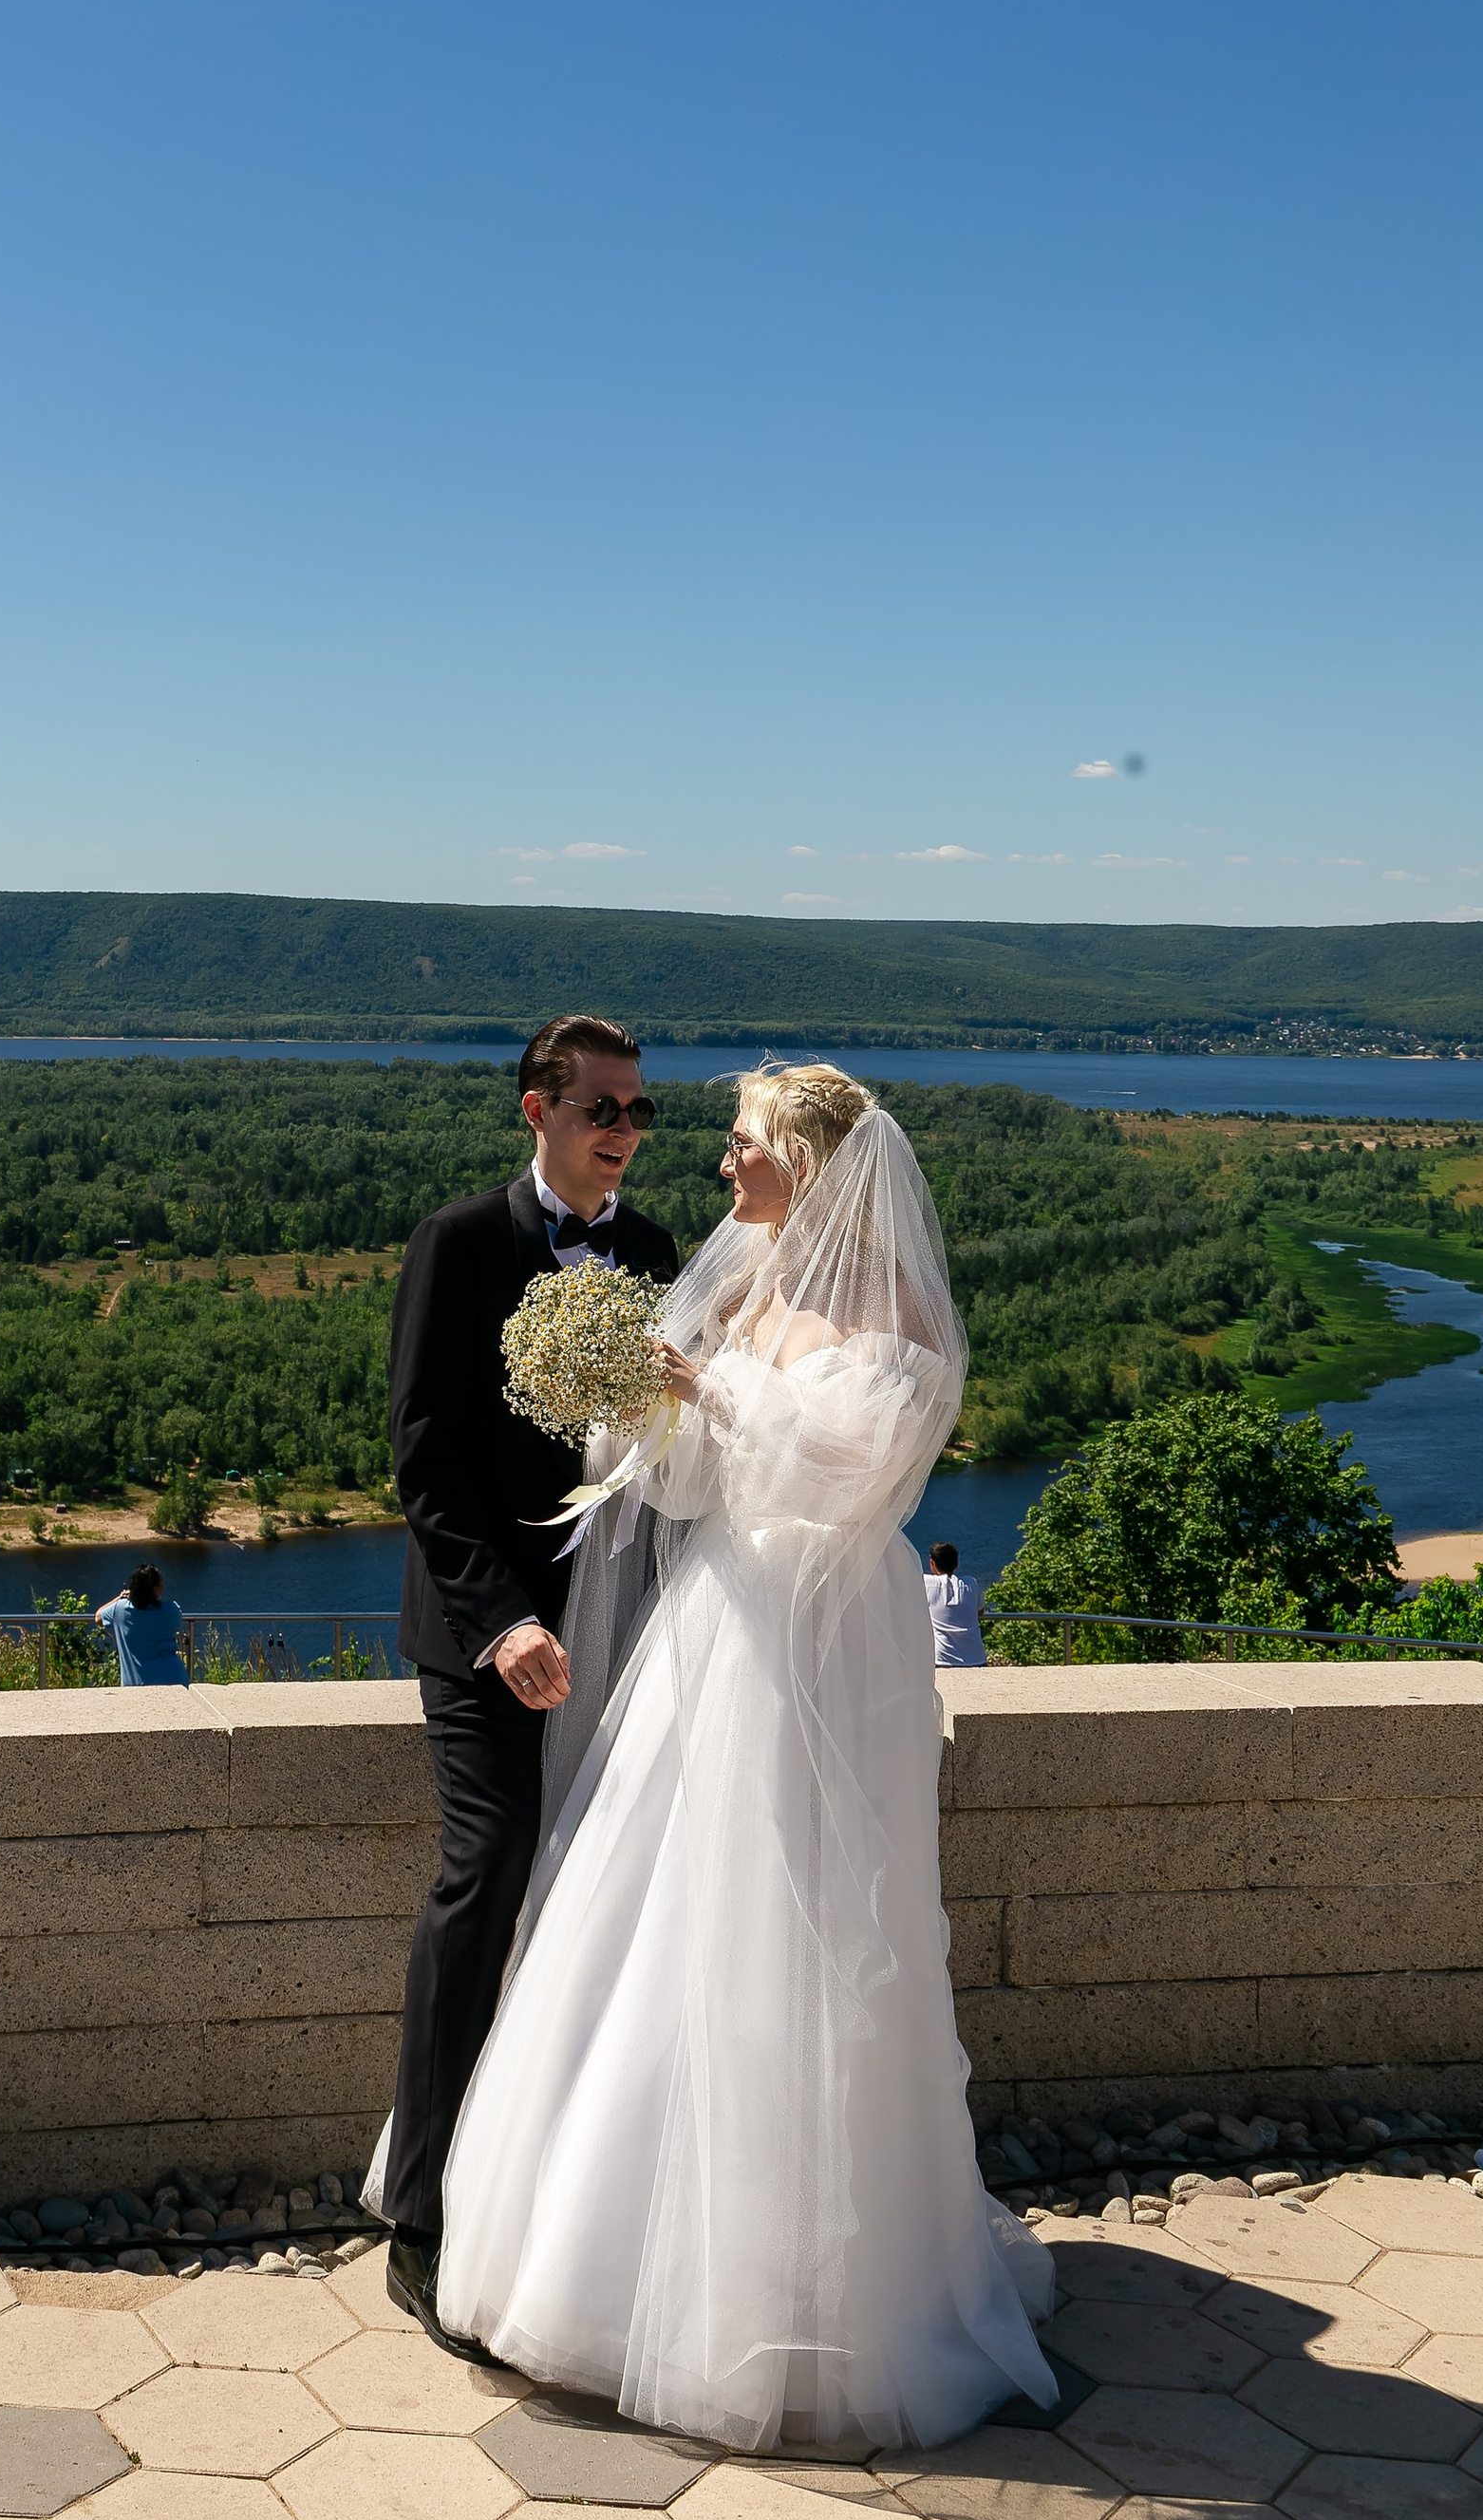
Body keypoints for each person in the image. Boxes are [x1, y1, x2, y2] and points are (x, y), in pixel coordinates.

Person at [432, 1063, 1056, 2448]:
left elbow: (852, 1473)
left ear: (809, 1163)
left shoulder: (900, 1316)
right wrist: (648, 1409)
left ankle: (822, 2297)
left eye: (742, 1144)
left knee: (815, 1917)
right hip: (720, 1622)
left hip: (829, 1637)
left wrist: (711, 1389)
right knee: (665, 1902)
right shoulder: (752, 1290)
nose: (721, 1166)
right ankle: (610, 2269)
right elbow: (699, 1483)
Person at [373, 1013, 683, 2346]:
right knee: (487, 1874)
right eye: (600, 1106)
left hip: (616, 1629)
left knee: (604, 1896)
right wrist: (501, 1621)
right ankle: (420, 2213)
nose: (623, 1130)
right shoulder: (459, 1243)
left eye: (638, 1110)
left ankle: (556, 2204)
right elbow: (424, 1457)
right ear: (536, 1110)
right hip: (483, 1634)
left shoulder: (655, 1256)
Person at [95, 1561, 189, 1685]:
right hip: (173, 1678)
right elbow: (177, 1625)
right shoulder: (171, 1610)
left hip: (136, 1683)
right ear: (155, 1589)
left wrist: (121, 1597)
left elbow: (98, 1617)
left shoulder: (119, 1609)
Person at [925, 1539, 987, 1666]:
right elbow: (980, 1611)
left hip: (943, 1658)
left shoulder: (926, 1583)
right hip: (977, 1657)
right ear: (956, 1564)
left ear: (932, 1563)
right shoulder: (971, 1583)